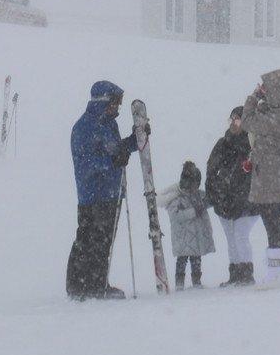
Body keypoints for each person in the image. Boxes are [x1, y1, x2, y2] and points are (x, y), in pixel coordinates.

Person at [66, 80, 139, 300]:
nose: (116, 108)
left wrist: (134, 141)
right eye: (114, 103)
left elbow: (117, 151)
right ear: (102, 101)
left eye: (118, 104)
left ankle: (96, 283)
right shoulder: (84, 127)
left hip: (111, 193)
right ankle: (83, 286)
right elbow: (86, 163)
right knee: (89, 240)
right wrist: (112, 160)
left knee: (104, 241)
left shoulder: (109, 125)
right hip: (93, 195)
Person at [242, 69, 280, 285]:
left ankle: (278, 272)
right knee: (272, 221)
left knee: (271, 221)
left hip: (270, 175)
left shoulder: (276, 117)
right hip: (276, 174)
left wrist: (254, 97)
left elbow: (247, 120)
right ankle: (279, 270)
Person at [206, 106, 260, 287]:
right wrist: (214, 193)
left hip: (248, 201)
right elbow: (211, 169)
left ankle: (247, 273)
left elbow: (257, 173)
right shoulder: (223, 143)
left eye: (236, 119)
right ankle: (235, 273)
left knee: (240, 234)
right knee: (231, 237)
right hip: (225, 200)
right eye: (231, 119)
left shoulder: (254, 145)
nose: (233, 123)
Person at [157, 161, 215, 289]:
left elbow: (210, 200)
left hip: (196, 235)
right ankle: (179, 284)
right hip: (183, 237)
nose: (196, 187)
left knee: (196, 259)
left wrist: (207, 202)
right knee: (182, 260)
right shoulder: (175, 197)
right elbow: (176, 216)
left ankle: (197, 282)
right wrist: (194, 211)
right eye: (194, 184)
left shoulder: (198, 194)